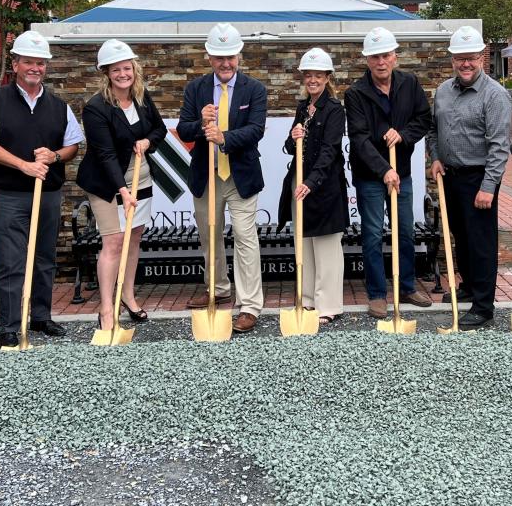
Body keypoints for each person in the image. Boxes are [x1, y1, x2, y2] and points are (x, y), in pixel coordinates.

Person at [0, 30, 83, 349]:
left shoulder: (59, 106)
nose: (35, 67)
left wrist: (55, 155)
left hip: (47, 194)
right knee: (11, 260)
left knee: (44, 256)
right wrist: (24, 165)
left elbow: (73, 144)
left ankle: (41, 317)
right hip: (8, 195)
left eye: (40, 63)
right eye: (29, 61)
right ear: (15, 64)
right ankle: (9, 325)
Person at [177, 23, 267, 334]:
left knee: (245, 238)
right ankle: (217, 288)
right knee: (210, 236)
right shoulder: (196, 89)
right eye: (219, 57)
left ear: (239, 55)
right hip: (207, 175)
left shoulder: (254, 89)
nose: (225, 63)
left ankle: (250, 305)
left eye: (230, 57)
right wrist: (201, 124)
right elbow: (183, 129)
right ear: (209, 57)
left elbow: (256, 130)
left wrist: (224, 137)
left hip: (240, 176)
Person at [77, 40, 166, 330]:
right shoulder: (96, 108)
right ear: (106, 73)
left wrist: (147, 140)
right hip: (107, 182)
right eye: (116, 69)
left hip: (140, 176)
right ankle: (106, 308)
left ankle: (127, 295)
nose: (123, 74)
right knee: (114, 242)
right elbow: (104, 154)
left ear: (133, 69)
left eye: (127, 68)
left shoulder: (141, 97)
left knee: (135, 236)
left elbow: (159, 129)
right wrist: (123, 192)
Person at [345, 26, 433, 319]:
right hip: (371, 176)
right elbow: (358, 139)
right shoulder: (356, 93)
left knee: (404, 231)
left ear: (395, 57)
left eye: (385, 55)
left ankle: (407, 286)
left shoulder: (410, 84)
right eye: (374, 57)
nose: (380, 62)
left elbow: (423, 119)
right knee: (371, 235)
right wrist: (384, 169)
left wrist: (404, 136)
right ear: (367, 60)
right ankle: (377, 294)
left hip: (403, 173)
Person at [427, 27, 511, 330]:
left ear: (482, 57)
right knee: (460, 237)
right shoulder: (444, 91)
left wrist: (488, 187)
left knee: (481, 242)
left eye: (471, 58)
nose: (466, 64)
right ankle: (469, 286)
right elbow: (433, 131)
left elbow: (500, 147)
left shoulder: (495, 95)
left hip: (479, 177)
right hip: (450, 175)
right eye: (460, 58)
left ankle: (483, 306)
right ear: (452, 59)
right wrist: (435, 157)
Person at [277, 48, 350, 325]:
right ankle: (307, 300)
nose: (312, 80)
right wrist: (292, 135)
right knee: (304, 243)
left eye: (318, 75)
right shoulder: (302, 107)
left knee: (327, 245)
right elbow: (290, 147)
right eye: (308, 75)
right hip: (300, 182)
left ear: (327, 77)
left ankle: (328, 305)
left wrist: (311, 182)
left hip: (324, 186)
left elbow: (330, 150)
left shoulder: (334, 110)